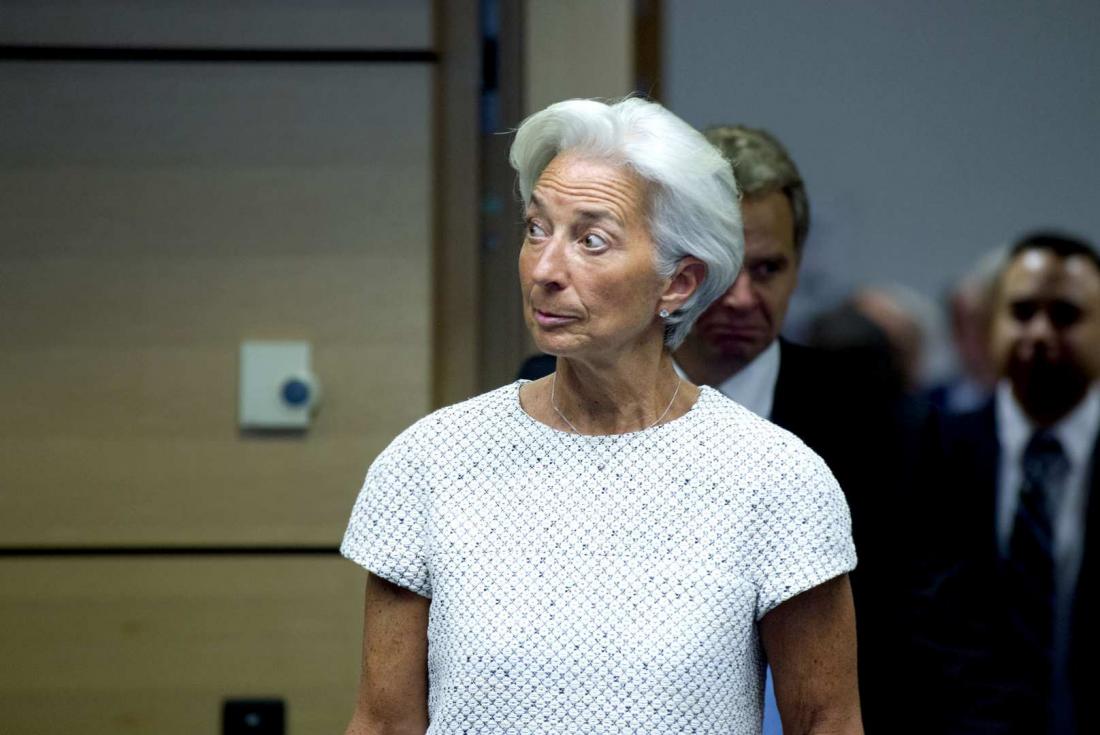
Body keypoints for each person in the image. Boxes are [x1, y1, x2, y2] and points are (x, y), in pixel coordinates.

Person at [340, 98, 862, 734]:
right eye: (537, 229)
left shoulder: (775, 479)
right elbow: (383, 723)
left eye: (591, 240)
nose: (545, 270)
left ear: (679, 282)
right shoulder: (430, 462)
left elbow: (828, 723)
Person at [672, 125, 917, 733]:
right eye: (722, 267)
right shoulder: (581, 397)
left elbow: (908, 628)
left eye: (767, 269)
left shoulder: (866, 416)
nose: (741, 297)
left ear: (798, 267)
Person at [913, 232, 1100, 733]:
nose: (1039, 332)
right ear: (990, 323)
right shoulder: (927, 452)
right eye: (1021, 312)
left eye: (1065, 315)